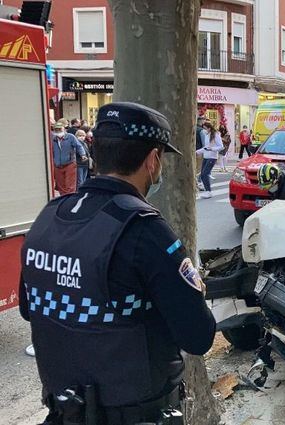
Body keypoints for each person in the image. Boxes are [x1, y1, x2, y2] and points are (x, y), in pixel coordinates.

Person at [19, 102, 215, 424]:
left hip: (64, 412)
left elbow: (31, 309)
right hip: (137, 413)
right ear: (152, 160)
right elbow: (198, 336)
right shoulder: (146, 231)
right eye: (161, 159)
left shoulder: (48, 218)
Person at [52, 121, 86, 195]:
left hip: (69, 163)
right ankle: (63, 199)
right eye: (56, 130)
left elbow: (78, 146)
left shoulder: (70, 137)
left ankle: (69, 200)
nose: (58, 131)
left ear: (64, 129)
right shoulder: (53, 139)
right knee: (61, 185)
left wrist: (83, 155)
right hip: (57, 165)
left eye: (60, 129)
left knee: (70, 185)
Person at [197, 122, 223, 199]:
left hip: (212, 157)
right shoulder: (206, 135)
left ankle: (209, 191)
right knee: (202, 174)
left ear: (209, 128)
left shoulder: (216, 135)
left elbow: (221, 146)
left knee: (205, 173)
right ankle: (207, 191)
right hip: (206, 156)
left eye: (205, 128)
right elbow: (206, 147)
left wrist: (212, 149)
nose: (204, 130)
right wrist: (198, 152)